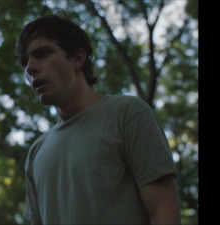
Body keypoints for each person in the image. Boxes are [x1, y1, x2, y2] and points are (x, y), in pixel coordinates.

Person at [16, 13, 181, 225]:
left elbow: (164, 213)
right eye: (24, 62)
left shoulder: (128, 115)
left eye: (43, 53)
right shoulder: (36, 153)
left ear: (77, 58)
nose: (30, 68)